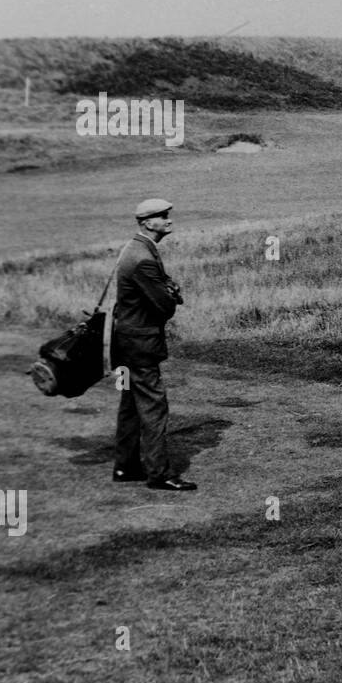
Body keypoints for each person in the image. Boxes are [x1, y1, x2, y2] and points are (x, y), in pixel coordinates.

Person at [112, 199, 197, 491]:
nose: (168, 220)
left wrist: (166, 288)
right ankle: (159, 474)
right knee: (153, 406)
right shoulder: (144, 257)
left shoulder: (135, 248)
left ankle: (125, 468)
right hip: (140, 344)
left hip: (126, 340)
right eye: (163, 216)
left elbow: (158, 288)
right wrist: (171, 294)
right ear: (148, 223)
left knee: (131, 406)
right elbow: (163, 306)